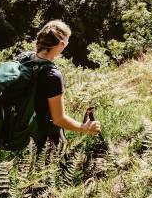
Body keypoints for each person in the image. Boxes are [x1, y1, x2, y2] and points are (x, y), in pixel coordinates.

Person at [28, 20, 101, 148]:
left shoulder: (26, 59)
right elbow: (58, 119)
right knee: (54, 166)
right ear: (61, 44)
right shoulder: (53, 75)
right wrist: (84, 127)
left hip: (25, 129)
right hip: (46, 136)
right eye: (67, 41)